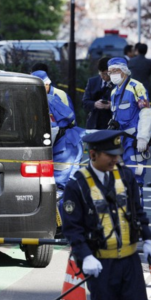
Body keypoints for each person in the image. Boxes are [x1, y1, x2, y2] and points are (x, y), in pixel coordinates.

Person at [62, 130, 151, 300]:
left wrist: (148, 238)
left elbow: (137, 211)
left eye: (117, 154)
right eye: (110, 155)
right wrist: (85, 256)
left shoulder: (126, 176)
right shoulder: (77, 185)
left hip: (130, 262)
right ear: (93, 154)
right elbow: (72, 228)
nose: (115, 159)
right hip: (101, 264)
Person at [107, 57, 151, 204]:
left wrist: (143, 137)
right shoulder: (114, 92)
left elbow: (146, 112)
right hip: (120, 142)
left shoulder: (136, 87)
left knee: (135, 178)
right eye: (110, 71)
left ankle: (137, 217)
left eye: (115, 70)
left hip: (135, 142)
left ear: (124, 70)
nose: (112, 74)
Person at [31, 70, 84, 189]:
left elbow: (69, 120)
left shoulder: (57, 96)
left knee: (62, 183)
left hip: (66, 143)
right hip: (69, 141)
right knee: (71, 181)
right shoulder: (43, 98)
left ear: (46, 84)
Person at [82, 57, 114, 129]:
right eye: (101, 73)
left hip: (110, 122)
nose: (103, 76)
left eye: (106, 74)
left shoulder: (117, 83)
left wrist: (111, 105)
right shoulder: (92, 82)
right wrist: (95, 104)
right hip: (94, 122)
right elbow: (85, 102)